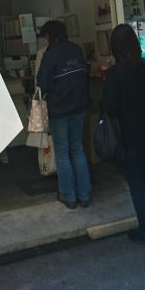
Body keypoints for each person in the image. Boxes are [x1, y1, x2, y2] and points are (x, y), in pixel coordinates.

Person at [101, 23, 145, 246]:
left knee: (136, 183)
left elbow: (109, 107)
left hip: (127, 136)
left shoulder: (115, 74)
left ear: (115, 47)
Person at [37, 20, 92, 209]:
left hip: (59, 109)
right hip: (79, 106)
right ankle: (84, 195)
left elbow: (42, 83)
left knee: (62, 152)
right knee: (77, 148)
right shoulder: (76, 49)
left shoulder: (50, 54)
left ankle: (69, 196)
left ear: (49, 36)